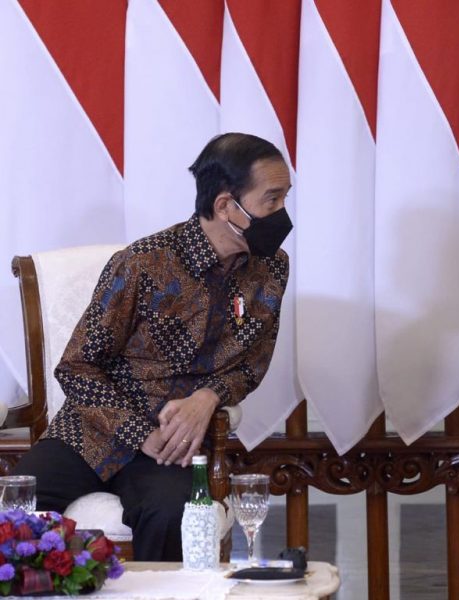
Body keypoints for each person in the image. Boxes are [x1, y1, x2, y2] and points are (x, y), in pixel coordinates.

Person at [12, 132, 293, 561]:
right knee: (15, 513)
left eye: (285, 197)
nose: (283, 212)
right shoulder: (144, 263)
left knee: (174, 515)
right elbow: (76, 367)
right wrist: (138, 433)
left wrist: (208, 397)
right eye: (272, 200)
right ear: (225, 206)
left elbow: (252, 364)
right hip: (92, 432)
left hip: (172, 447)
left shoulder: (271, 269)